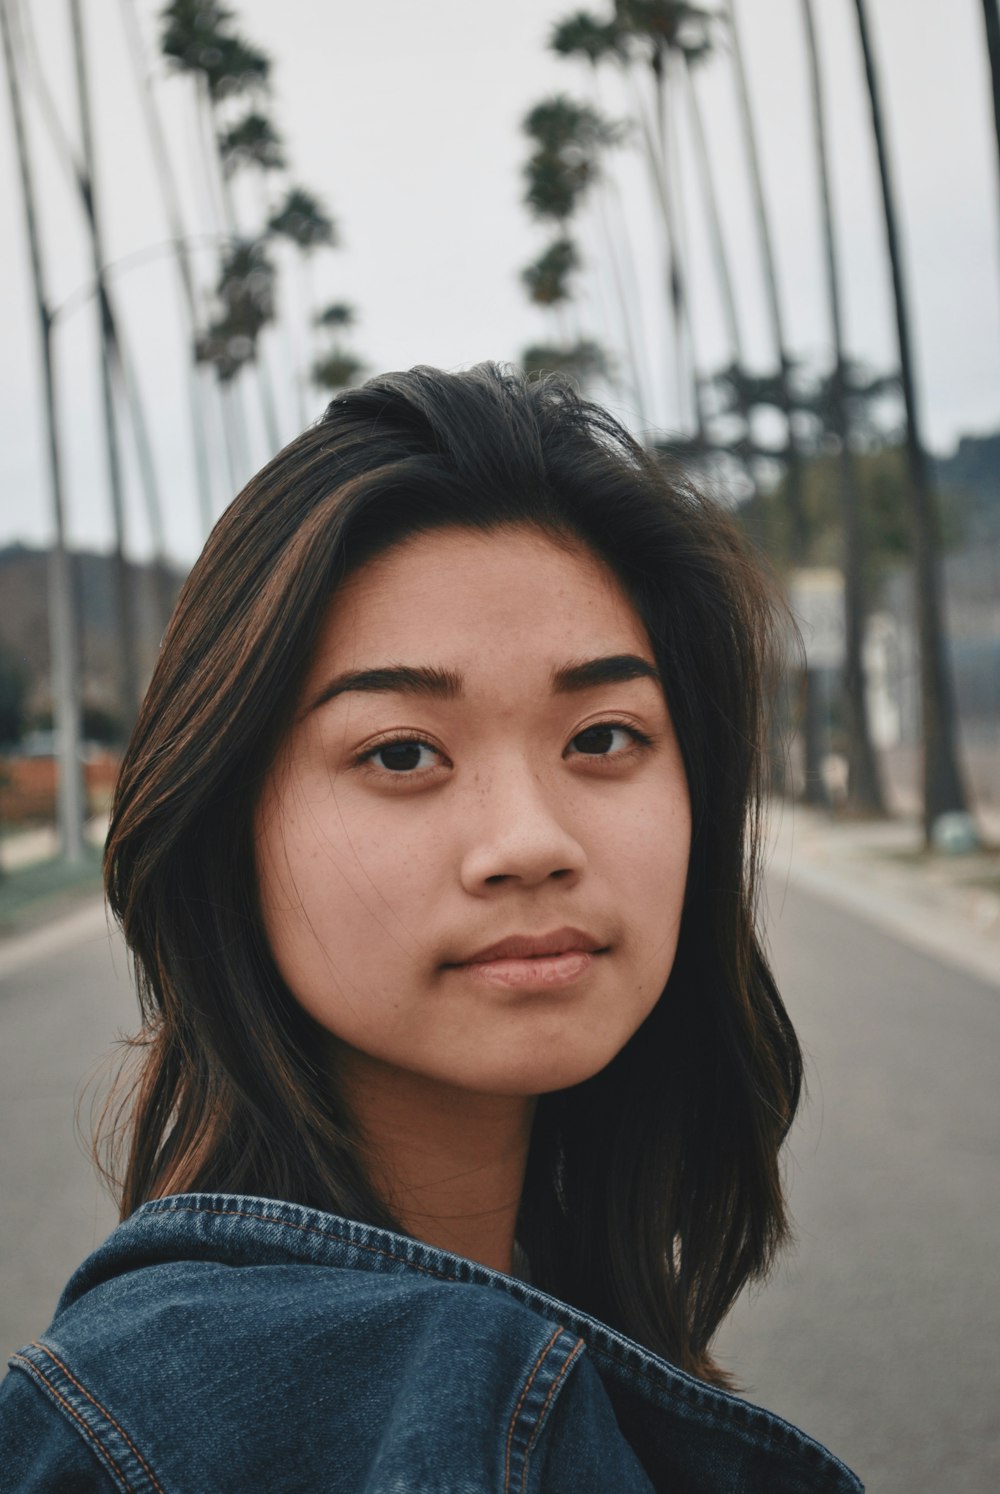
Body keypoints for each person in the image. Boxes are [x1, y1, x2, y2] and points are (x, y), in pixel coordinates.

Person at [0, 363, 863, 1492]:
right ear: (226, 830)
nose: (529, 840)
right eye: (401, 752)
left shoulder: (528, 1313)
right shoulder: (180, 1431)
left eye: (602, 737)